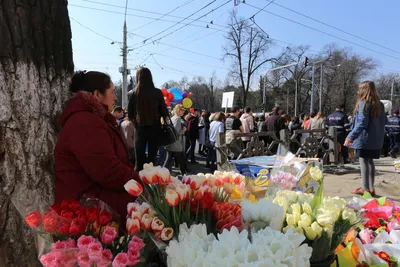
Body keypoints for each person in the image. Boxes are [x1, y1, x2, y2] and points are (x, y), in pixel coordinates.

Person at [54, 71, 139, 227]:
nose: (115, 97)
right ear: (97, 94)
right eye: (112, 92)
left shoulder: (92, 118)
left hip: (95, 205)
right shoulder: (86, 122)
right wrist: (142, 182)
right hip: (88, 211)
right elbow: (107, 171)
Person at [345, 81, 386, 196]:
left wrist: (350, 137)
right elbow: (384, 121)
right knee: (370, 162)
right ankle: (371, 187)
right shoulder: (380, 104)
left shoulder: (364, 103)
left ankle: (365, 188)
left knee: (363, 161)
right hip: (376, 139)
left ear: (363, 90)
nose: (358, 92)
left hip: (364, 139)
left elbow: (362, 123)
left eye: (359, 89)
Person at [128, 67, 169, 172]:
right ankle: (151, 184)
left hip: (139, 129)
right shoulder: (157, 92)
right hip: (155, 128)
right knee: (152, 160)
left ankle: (137, 185)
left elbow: (130, 114)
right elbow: (164, 111)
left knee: (139, 161)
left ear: (138, 78)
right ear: (150, 77)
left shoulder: (133, 93)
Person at [165, 104, 187, 175]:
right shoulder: (177, 118)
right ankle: (184, 175)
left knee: (168, 160)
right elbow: (176, 132)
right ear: (178, 110)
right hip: (176, 144)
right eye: (182, 111)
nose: (183, 113)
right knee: (181, 160)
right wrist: (183, 130)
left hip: (171, 143)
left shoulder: (173, 118)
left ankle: (161, 173)